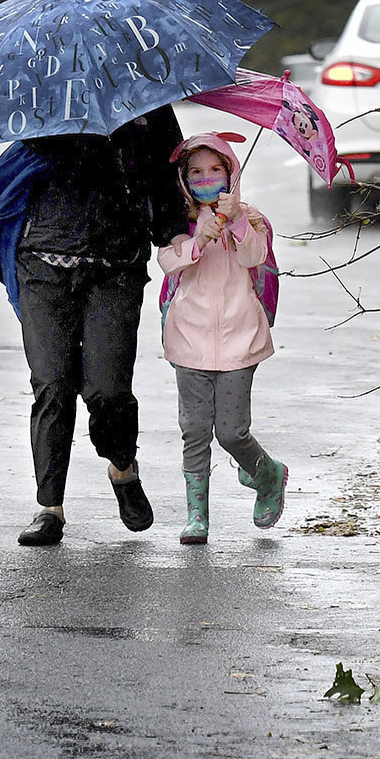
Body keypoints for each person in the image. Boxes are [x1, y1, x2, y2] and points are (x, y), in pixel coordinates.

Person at [9, 106, 187, 547]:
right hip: (43, 257)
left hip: (117, 262)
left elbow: (168, 175)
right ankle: (50, 508)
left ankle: (123, 467)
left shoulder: (146, 103)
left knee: (107, 389)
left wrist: (181, 235)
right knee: (52, 382)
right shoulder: (42, 94)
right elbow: (21, 160)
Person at [157, 131, 288, 544]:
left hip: (240, 339)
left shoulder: (250, 217)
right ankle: (198, 517)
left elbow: (255, 257)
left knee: (231, 432)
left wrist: (235, 223)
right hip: (188, 341)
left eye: (216, 169)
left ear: (231, 173)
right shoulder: (178, 222)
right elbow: (169, 261)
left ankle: (269, 474)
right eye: (196, 172)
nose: (206, 177)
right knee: (194, 429)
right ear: (183, 179)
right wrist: (199, 240)